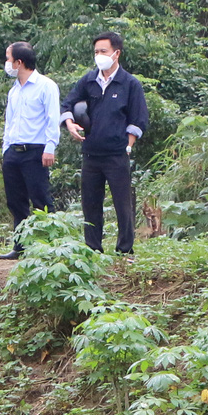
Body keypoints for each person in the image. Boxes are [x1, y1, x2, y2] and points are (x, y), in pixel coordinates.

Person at [63, 31, 150, 253]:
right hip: (91, 154)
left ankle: (125, 250)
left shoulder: (130, 84)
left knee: (123, 205)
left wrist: (128, 145)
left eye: (104, 51)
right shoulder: (88, 81)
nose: (99, 55)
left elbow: (138, 119)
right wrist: (70, 123)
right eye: (96, 52)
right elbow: (67, 104)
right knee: (91, 205)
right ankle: (92, 249)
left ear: (116, 53)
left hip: (117, 154)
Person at [0, 41, 59, 259]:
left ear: (19, 62)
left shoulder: (46, 86)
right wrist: (6, 149)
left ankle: (50, 245)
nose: (7, 63)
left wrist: (50, 146)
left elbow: (53, 118)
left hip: (36, 150)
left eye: (8, 58)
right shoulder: (14, 90)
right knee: (16, 201)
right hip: (13, 151)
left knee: (40, 199)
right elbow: (10, 122)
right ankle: (21, 245)